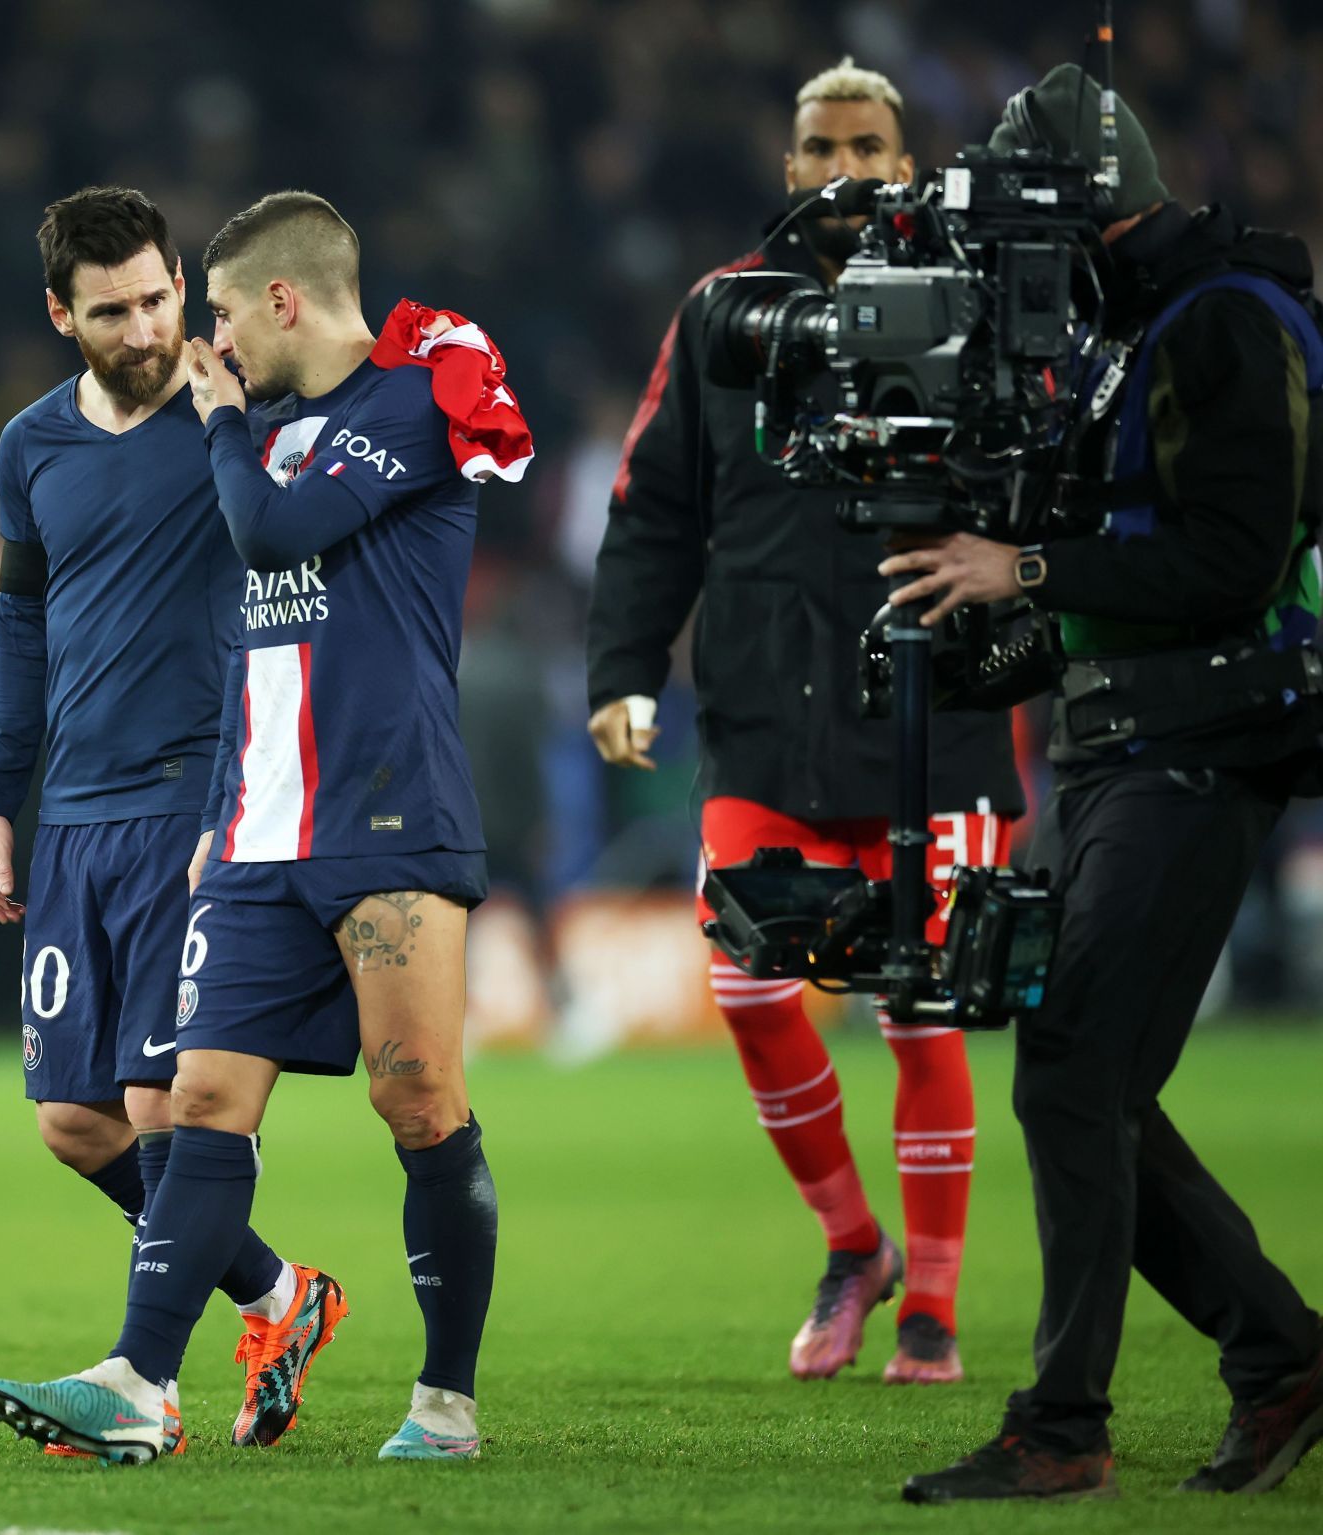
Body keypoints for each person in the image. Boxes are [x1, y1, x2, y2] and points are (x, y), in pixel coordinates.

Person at [0, 190, 532, 1464]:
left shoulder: (402, 402)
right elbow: (201, 629)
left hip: (386, 811)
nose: (195, 339)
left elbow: (274, 532)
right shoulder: (213, 434)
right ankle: (144, 1378)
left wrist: (226, 417)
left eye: (202, 308)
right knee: (197, 1099)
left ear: (269, 300)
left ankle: (444, 1401)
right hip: (247, 823)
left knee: (421, 1101)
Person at [892, 66, 1323, 1502]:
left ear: (1082, 213)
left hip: (1205, 741)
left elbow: (1230, 562)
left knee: (1077, 1070)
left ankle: (1067, 1424)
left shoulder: (1226, 323)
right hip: (1132, 739)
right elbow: (1117, 586)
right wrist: (976, 645)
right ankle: (1279, 1356)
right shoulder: (1146, 332)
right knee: (1095, 1084)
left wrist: (1020, 569)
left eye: (1022, 228)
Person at [586, 58, 1024, 1386]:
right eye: (820, 146)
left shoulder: (978, 310)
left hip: (936, 720)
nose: (844, 169)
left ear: (909, 162)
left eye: (870, 145)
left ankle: (932, 1305)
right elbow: (654, 507)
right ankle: (854, 1243)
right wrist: (623, 667)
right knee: (750, 987)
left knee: (922, 1010)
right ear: (787, 168)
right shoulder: (724, 316)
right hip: (766, 725)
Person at [0, 186, 342, 1458]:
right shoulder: (30, 448)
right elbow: (22, 629)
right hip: (73, 813)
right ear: (62, 313)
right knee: (77, 1123)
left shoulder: (241, 416)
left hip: (200, 801)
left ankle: (147, 1387)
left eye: (158, 297)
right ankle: (282, 1295)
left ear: (184, 282)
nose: (144, 328)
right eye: (112, 309)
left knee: (172, 1100)